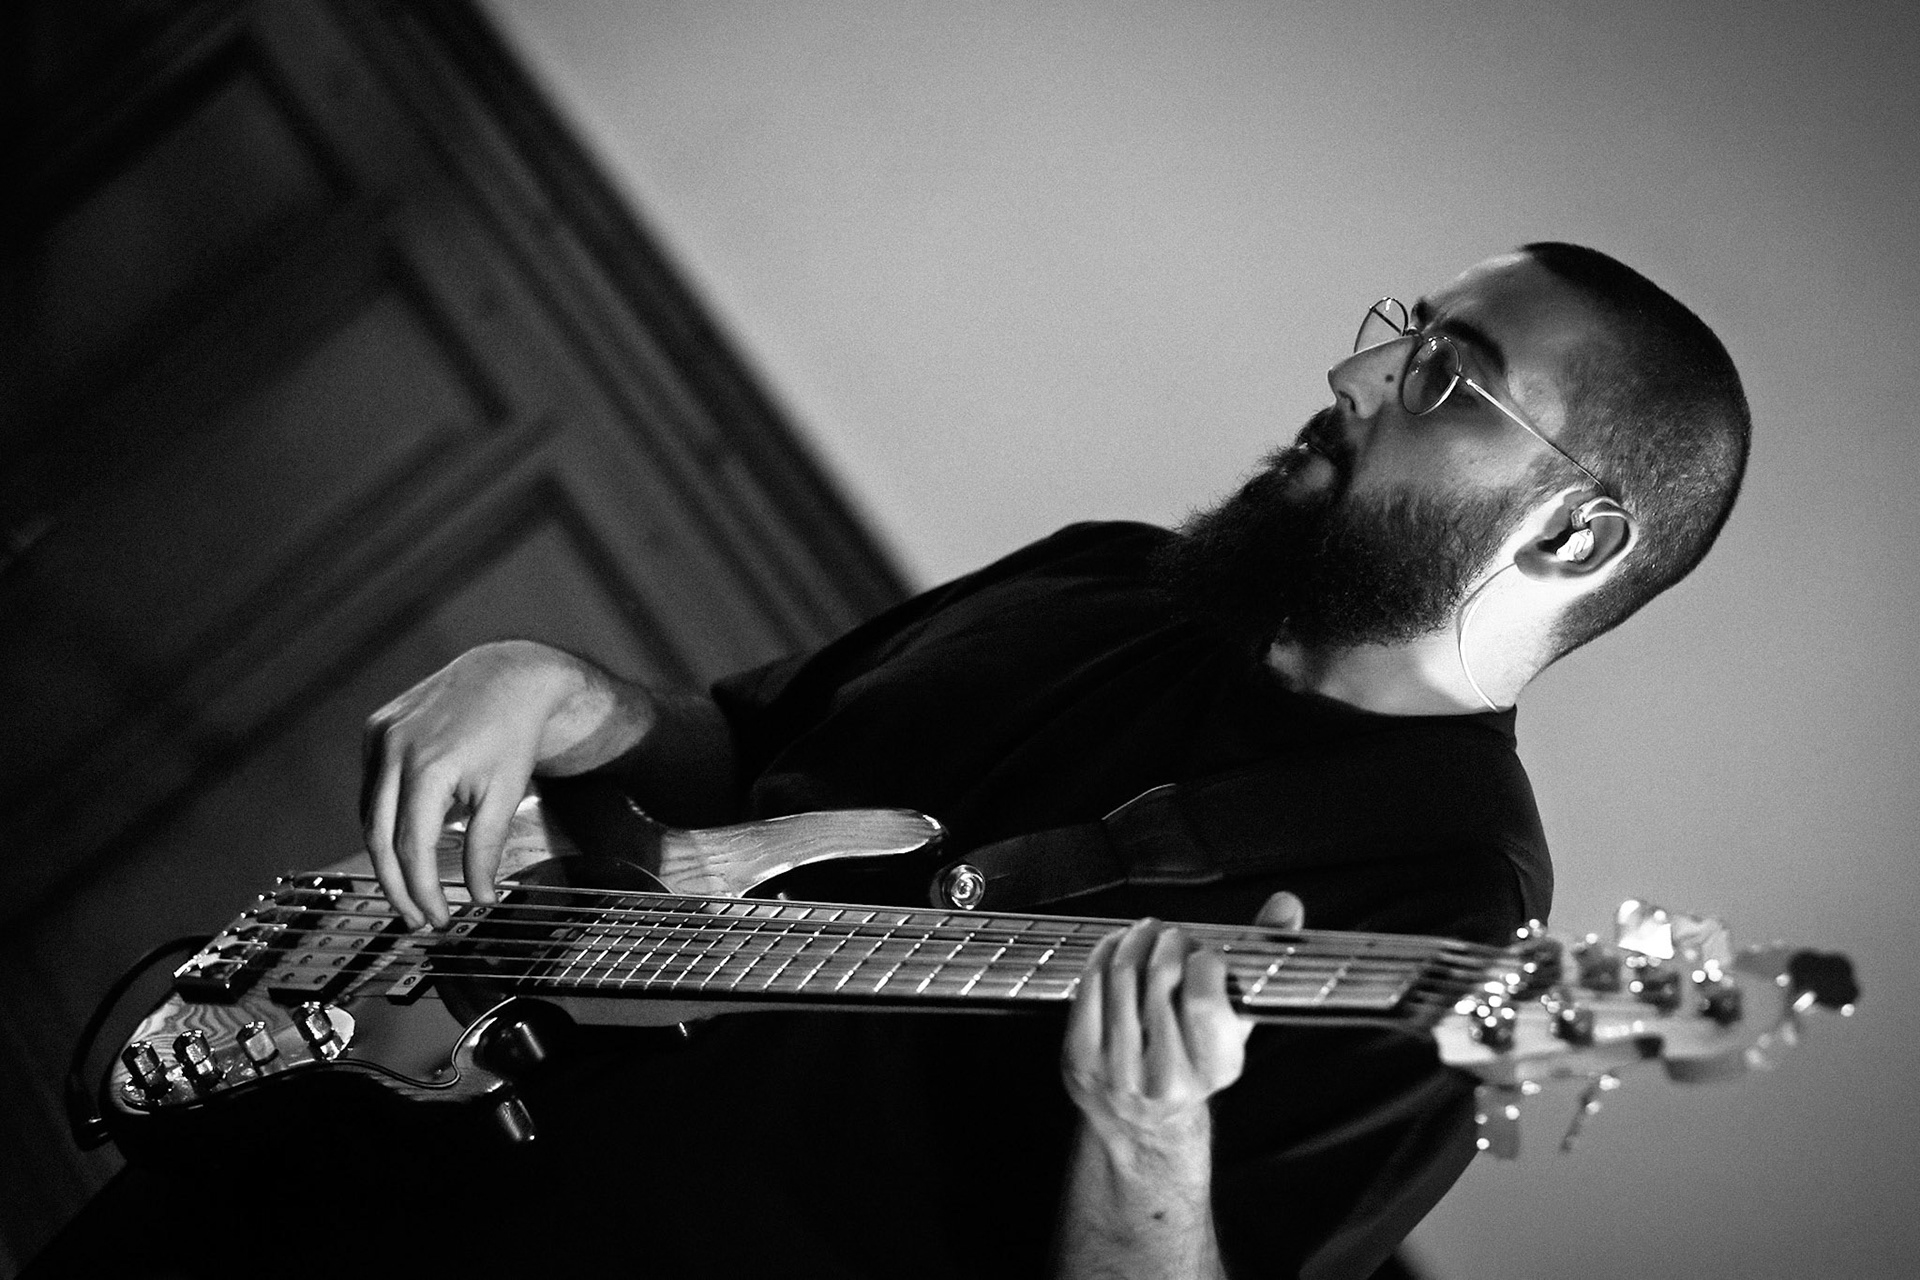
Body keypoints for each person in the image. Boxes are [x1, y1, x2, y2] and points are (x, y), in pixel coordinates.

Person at [359, 243, 1750, 1278]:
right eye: (1404, 337)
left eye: (1445, 381)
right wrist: (549, 692)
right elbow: (743, 769)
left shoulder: (1443, 922)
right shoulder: (1113, 577)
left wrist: (1147, 1139)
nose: (1351, 379)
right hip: (436, 1176)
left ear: (1571, 535)